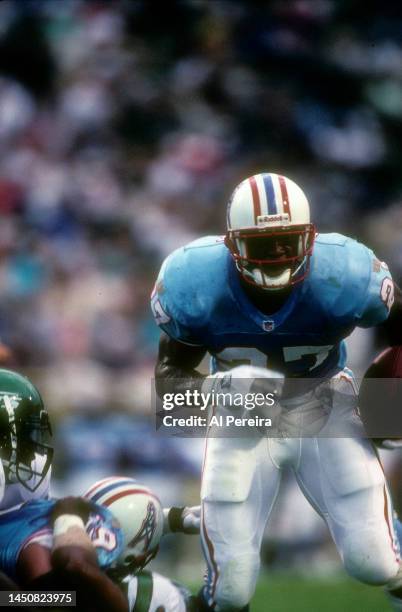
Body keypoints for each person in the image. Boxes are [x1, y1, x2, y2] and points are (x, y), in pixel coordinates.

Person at [152, 172, 402, 611]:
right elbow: (171, 396)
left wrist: (386, 404)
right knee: (230, 591)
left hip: (324, 400)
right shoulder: (194, 281)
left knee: (375, 561)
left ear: (310, 237)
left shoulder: (345, 272)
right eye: (262, 245)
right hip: (239, 417)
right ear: (232, 245)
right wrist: (219, 393)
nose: (276, 256)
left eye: (287, 242)